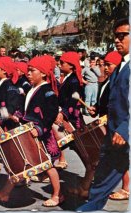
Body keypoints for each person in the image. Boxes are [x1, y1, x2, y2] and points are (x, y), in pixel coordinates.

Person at [0, 55, 63, 207]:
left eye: (32, 70)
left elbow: (51, 114)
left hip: (41, 136)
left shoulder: (47, 92)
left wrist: (40, 129)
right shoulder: (32, 89)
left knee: (48, 166)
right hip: (29, 132)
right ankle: (4, 194)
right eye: (28, 70)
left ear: (42, 73)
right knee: (20, 163)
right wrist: (13, 117)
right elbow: (24, 110)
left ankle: (57, 195)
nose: (28, 73)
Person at [77, 18, 130, 211]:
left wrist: (125, 129)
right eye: (116, 36)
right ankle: (90, 207)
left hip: (124, 134)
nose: (117, 40)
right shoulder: (122, 65)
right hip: (115, 134)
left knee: (107, 172)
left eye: (123, 35)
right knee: (103, 174)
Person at [70, 51, 123, 198]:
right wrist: (96, 109)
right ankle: (85, 188)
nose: (104, 68)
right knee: (97, 158)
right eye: (102, 65)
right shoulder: (107, 81)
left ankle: (125, 188)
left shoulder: (120, 83)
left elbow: (121, 106)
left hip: (116, 126)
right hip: (106, 122)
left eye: (108, 65)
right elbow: (104, 102)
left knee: (119, 159)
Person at [54, 51, 85, 170]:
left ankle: (91, 168)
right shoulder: (68, 78)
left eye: (62, 63)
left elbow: (73, 100)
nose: (59, 64)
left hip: (72, 117)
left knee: (80, 145)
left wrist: (63, 113)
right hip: (68, 114)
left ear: (71, 65)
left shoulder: (74, 81)